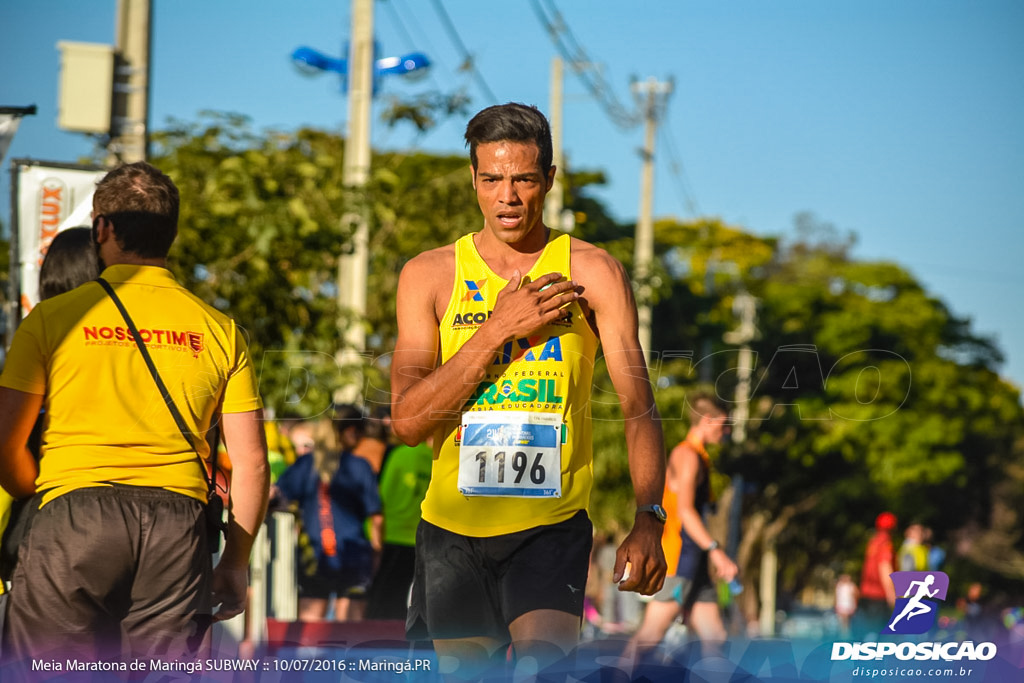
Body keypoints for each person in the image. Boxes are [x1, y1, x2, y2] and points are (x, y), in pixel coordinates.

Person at [390, 102, 667, 677]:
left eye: (522, 179)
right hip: (451, 529)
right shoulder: (431, 275)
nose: (507, 196)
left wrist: (649, 516)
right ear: (473, 179)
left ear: (548, 180)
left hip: (550, 525)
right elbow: (409, 423)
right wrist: (496, 329)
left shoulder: (592, 273)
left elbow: (638, 404)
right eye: (491, 178)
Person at [0, 161, 270, 664]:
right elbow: (252, 464)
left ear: (101, 228)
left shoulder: (53, 319)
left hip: (73, 516)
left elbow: (5, 443)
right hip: (179, 529)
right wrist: (235, 563)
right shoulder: (221, 329)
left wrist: (33, 489)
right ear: (170, 233)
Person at [0, 226, 100, 589]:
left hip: (44, 517)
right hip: (137, 519)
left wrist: (33, 489)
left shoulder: (42, 328)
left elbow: (9, 440)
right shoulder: (127, 337)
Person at [621, 393, 737, 665]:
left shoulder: (699, 457)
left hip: (694, 564)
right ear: (708, 421)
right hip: (678, 561)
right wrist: (716, 550)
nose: (727, 431)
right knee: (649, 637)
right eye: (724, 424)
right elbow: (685, 512)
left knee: (715, 637)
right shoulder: (687, 456)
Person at [273, 406, 383, 621]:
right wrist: (377, 554)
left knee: (309, 636)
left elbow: (276, 497)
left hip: (315, 555)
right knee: (350, 638)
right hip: (353, 556)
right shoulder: (359, 466)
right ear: (351, 431)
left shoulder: (306, 464)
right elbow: (376, 516)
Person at [365, 438, 433, 620]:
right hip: (420, 536)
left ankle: (380, 639)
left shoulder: (400, 453)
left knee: (385, 596)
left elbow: (382, 495)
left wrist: (372, 531)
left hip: (393, 534)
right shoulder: (436, 457)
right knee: (409, 597)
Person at [858, 511, 898, 638]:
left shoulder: (873, 542)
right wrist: (892, 594)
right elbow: (884, 568)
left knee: (867, 631)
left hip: (866, 593)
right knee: (877, 634)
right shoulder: (886, 544)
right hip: (879, 596)